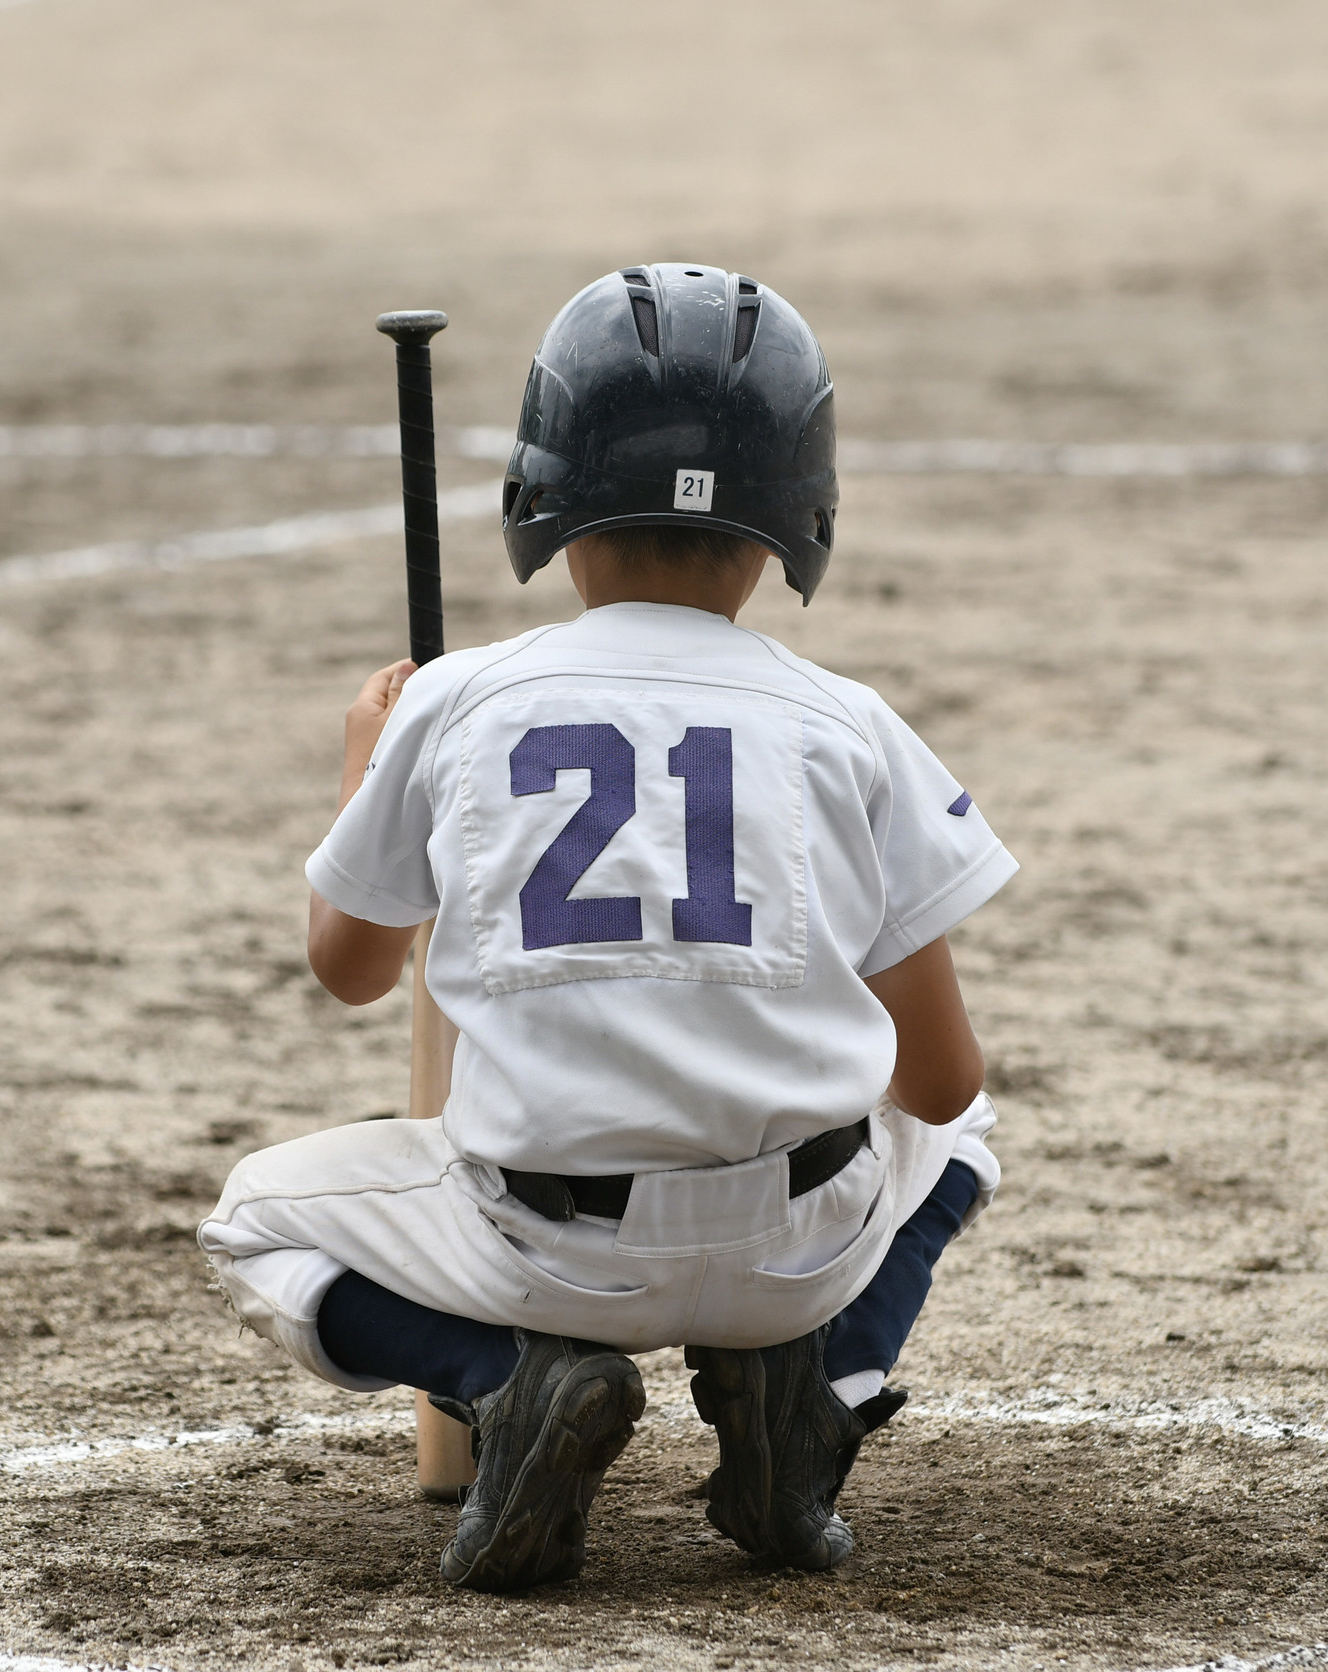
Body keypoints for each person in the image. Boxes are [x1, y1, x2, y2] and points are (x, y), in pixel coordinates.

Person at [198, 265, 1012, 1591]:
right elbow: (939, 1081)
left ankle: (502, 1380)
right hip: (798, 1253)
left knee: (252, 1220)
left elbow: (347, 969)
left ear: (549, 504)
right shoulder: (850, 722)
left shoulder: (457, 700)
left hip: (546, 1254)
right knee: (965, 1129)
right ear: (793, 523)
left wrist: (366, 762)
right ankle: (820, 1390)